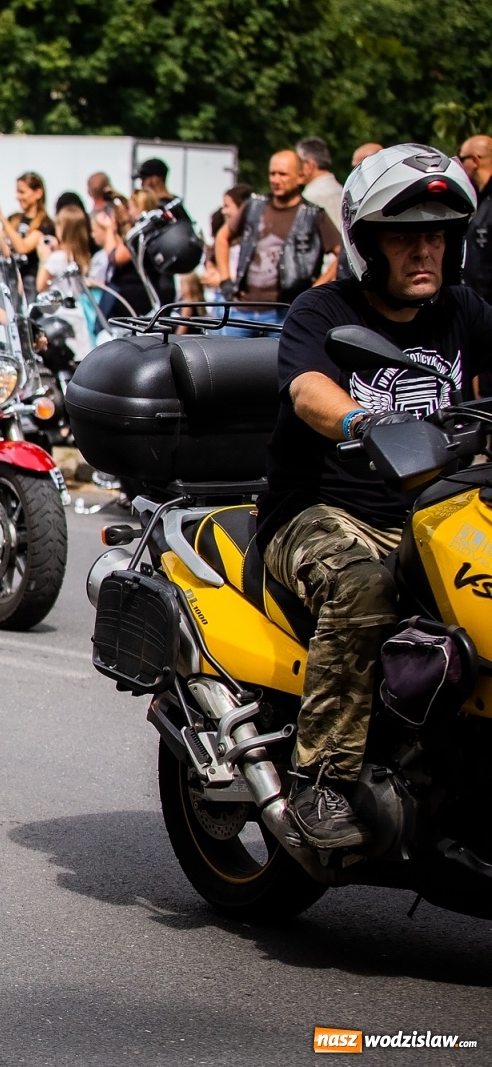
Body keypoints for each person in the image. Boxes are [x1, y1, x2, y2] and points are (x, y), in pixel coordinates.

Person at [258, 143, 490, 849]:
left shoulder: (465, 310)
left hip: (435, 513)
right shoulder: (321, 311)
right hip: (324, 515)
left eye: (437, 235)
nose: (425, 251)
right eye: (405, 236)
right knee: (364, 588)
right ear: (365, 243)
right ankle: (321, 779)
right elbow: (308, 389)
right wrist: (363, 418)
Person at [224, 149, 341, 334]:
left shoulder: (312, 214)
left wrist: (315, 290)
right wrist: (225, 280)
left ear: (300, 177)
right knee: (229, 362)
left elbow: (341, 252)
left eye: (283, 174)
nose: (276, 180)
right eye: (272, 173)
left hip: (284, 311)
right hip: (242, 309)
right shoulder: (254, 206)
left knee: (279, 362)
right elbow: (223, 237)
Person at [0, 171, 53, 294]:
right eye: (17, 192)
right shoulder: (14, 219)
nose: (18, 197)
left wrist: (0, 216)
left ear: (38, 193)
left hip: (28, 285)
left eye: (22, 192)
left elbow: (22, 247)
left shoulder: (45, 224)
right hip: (6, 281)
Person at [459, 134, 492, 301]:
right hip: (479, 305)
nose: (460, 165)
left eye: (462, 159)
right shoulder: (478, 200)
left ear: (475, 161)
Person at [296, 137, 344, 227]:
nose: (295, 169)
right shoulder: (341, 190)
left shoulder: (310, 197)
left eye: (297, 164)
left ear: (310, 166)